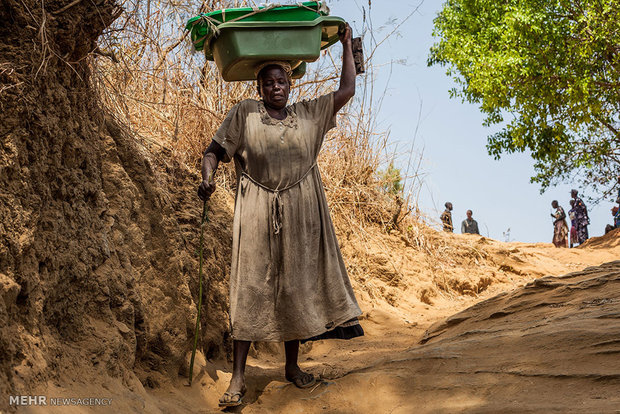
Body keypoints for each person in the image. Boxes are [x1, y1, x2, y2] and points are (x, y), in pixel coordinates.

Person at [197, 25, 364, 408]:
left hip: (303, 214)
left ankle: (292, 367)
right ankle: (237, 379)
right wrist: (207, 178)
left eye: (282, 80)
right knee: (250, 287)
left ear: (291, 84)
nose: (276, 87)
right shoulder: (245, 113)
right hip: (256, 212)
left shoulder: (307, 115)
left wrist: (348, 47)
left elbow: (347, 91)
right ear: (259, 88)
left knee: (295, 287)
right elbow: (213, 152)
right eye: (268, 82)